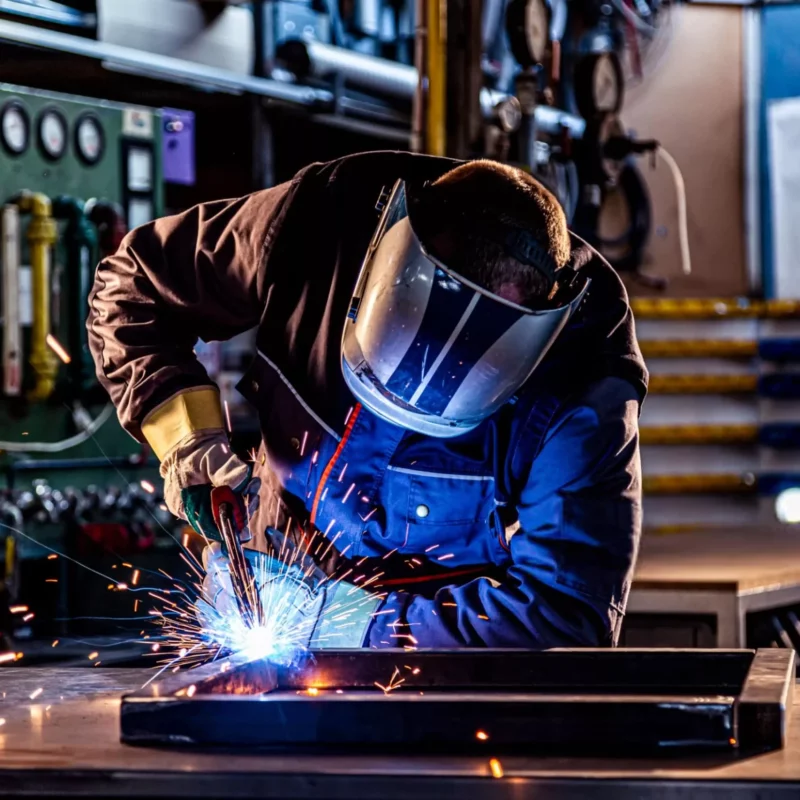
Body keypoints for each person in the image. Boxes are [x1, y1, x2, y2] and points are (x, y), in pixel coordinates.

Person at [87, 151, 646, 651]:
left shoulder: (584, 372)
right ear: (382, 262)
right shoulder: (318, 225)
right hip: (267, 608)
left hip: (442, 684)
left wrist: (358, 625)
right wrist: (188, 438)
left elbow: (569, 614)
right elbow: (133, 289)